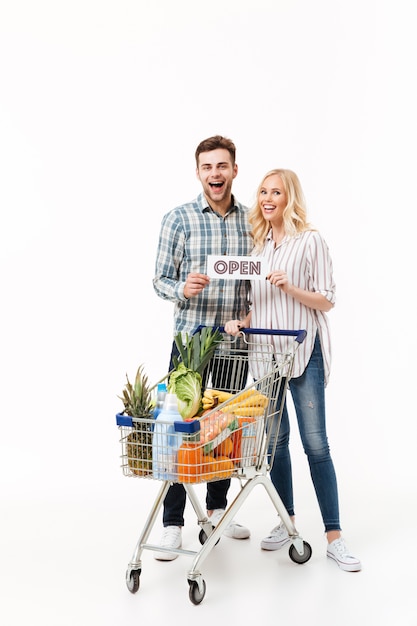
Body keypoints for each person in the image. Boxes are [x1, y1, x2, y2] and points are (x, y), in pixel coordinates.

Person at [225, 168, 361, 572]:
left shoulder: (310, 241)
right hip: (265, 356)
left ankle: (334, 538)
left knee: (316, 445)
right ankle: (288, 524)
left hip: (303, 353)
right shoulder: (257, 249)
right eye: (263, 192)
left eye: (276, 192)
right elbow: (261, 307)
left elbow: (327, 301)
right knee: (275, 444)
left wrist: (292, 289)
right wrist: (241, 322)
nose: (268, 199)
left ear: (290, 198)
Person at [152, 135, 252, 560]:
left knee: (224, 428)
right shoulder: (179, 219)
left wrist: (250, 318)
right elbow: (159, 279)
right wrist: (182, 288)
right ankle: (173, 522)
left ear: (234, 170)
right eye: (208, 167)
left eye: (222, 166)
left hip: (233, 340)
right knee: (179, 429)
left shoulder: (252, 221)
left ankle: (215, 512)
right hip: (190, 340)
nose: (216, 173)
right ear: (198, 172)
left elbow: (257, 281)